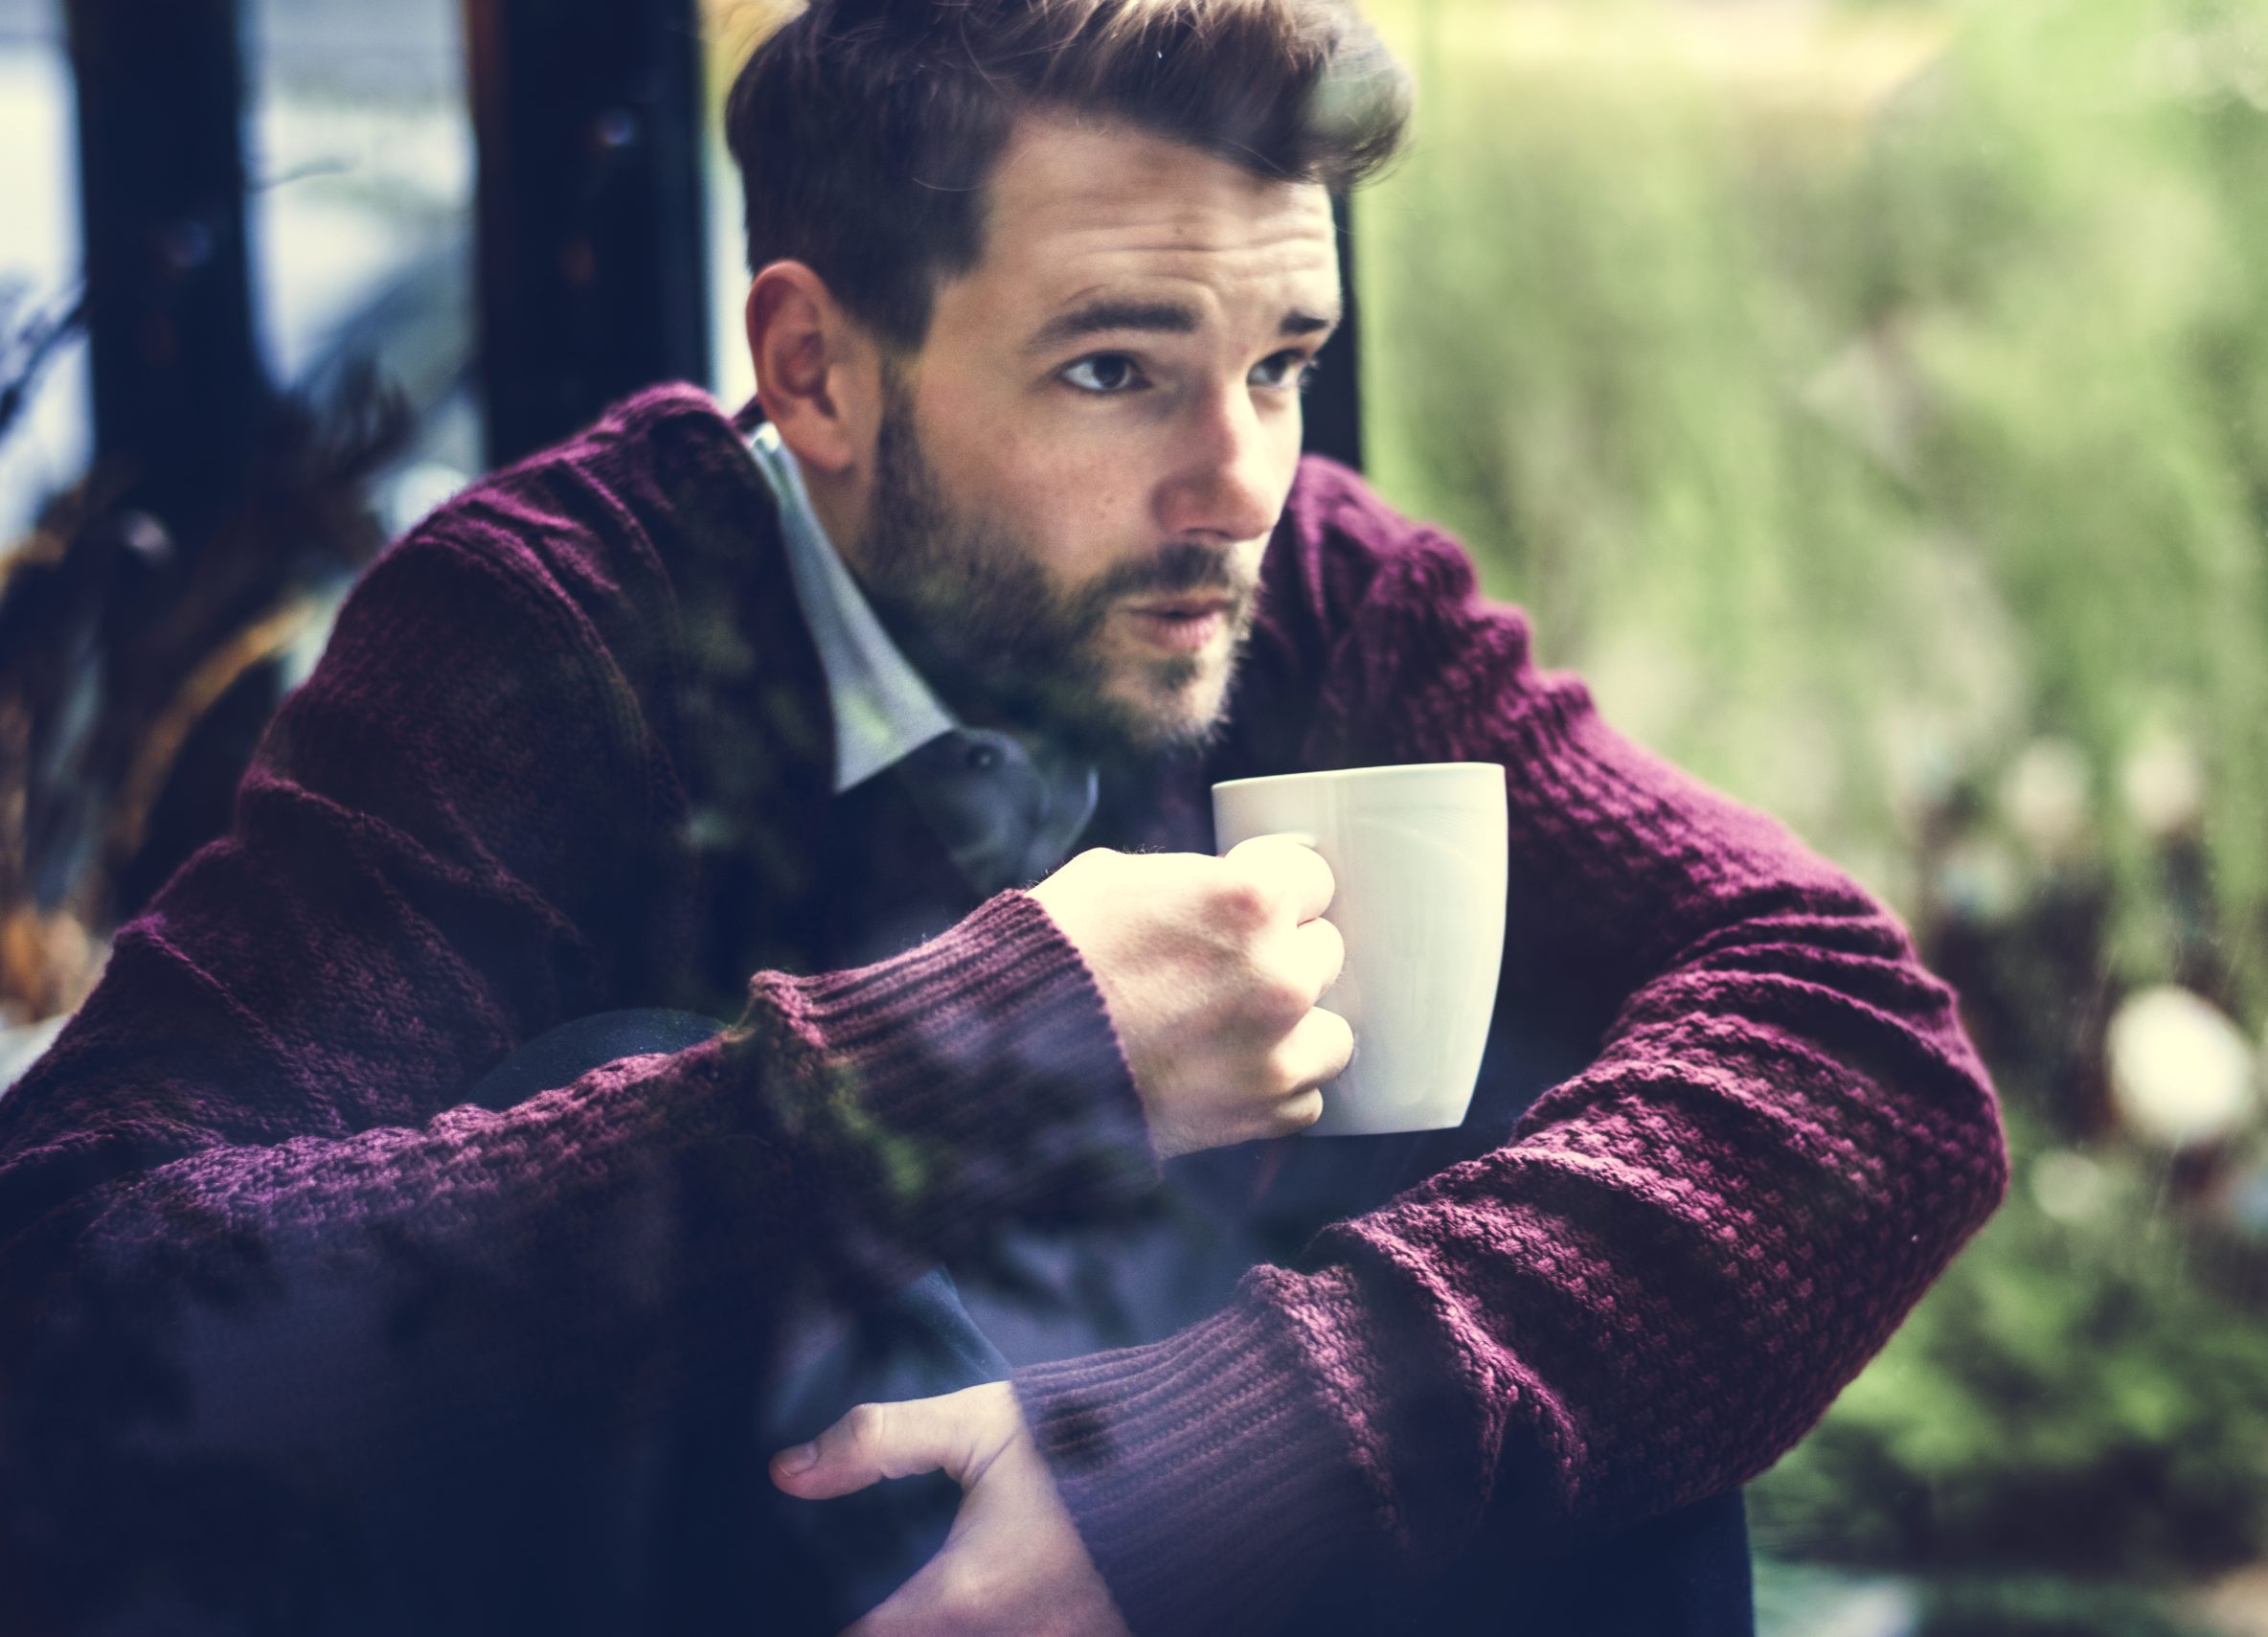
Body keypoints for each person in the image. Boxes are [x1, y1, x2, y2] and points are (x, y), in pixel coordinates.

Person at [0, 2, 2009, 1633]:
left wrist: (1247, 1450)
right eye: (1115, 366)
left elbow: (1859, 1052)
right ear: (814, 370)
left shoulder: (1315, 587)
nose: (1236, 481)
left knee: (1536, 1220)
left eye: (1282, 361)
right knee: (621, 1088)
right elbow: (71, 1328)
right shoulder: (554, 633)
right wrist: (973, 1063)